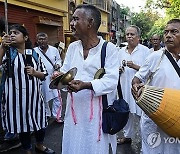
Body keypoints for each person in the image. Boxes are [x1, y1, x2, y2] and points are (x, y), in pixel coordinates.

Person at [52, 4, 119, 154]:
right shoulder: (73, 47)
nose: (71, 23)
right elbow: (66, 72)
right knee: (75, 145)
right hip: (75, 112)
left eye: (76, 19)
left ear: (90, 23)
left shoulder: (109, 49)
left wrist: (86, 85)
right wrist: (60, 77)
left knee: (95, 146)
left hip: (98, 114)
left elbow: (111, 81)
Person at [0, 24, 55, 154]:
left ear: (25, 37)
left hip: (35, 98)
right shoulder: (7, 53)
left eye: (16, 32)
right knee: (23, 126)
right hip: (16, 100)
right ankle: (27, 149)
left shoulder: (34, 54)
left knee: (40, 123)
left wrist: (35, 73)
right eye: (11, 33)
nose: (12, 34)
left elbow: (44, 74)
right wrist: (2, 46)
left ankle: (40, 145)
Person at [131, 19, 180, 154]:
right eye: (166, 32)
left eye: (174, 32)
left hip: (177, 119)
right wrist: (136, 86)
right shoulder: (154, 57)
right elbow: (137, 78)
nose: (168, 35)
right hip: (154, 119)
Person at [117, 25, 150, 145]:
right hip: (124, 87)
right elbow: (115, 67)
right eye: (127, 34)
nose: (129, 36)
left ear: (138, 37)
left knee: (142, 115)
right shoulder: (120, 52)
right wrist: (118, 70)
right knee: (127, 113)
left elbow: (150, 70)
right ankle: (127, 136)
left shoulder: (145, 51)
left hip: (140, 89)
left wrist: (135, 66)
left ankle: (146, 141)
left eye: (132, 34)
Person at [34, 32, 63, 123]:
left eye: (44, 39)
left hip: (53, 77)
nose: (42, 41)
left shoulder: (54, 50)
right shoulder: (34, 51)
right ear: (37, 40)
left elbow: (59, 60)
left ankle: (57, 116)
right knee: (43, 97)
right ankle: (47, 114)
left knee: (57, 97)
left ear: (47, 40)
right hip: (41, 78)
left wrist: (57, 66)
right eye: (40, 39)